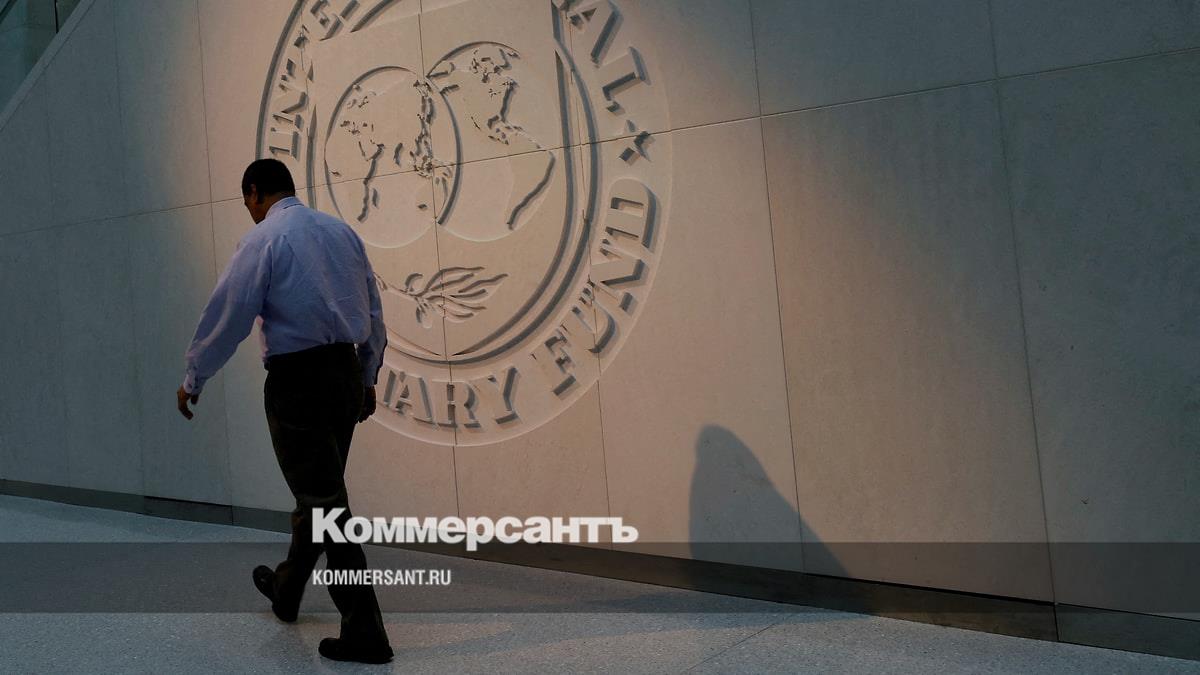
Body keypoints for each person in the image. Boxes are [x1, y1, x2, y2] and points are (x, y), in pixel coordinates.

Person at [176, 158, 393, 664]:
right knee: (319, 494)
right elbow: (373, 309)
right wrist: (367, 376)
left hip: (299, 382)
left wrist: (193, 378)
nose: (249, 210)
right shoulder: (341, 233)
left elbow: (228, 314)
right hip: (344, 374)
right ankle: (287, 589)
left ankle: (365, 630)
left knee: (326, 503)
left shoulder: (264, 240)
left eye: (247, 202)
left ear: (254, 192)